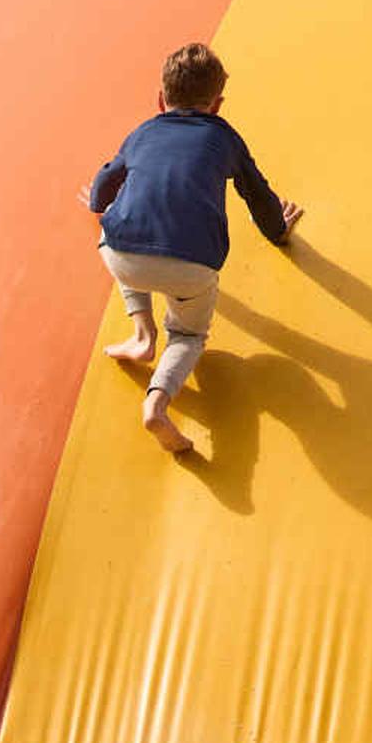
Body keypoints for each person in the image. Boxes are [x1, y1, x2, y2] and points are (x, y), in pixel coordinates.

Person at [80, 42, 300, 457]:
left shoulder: (143, 131)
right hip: (191, 269)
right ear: (217, 105)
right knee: (187, 333)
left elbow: (106, 180)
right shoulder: (225, 139)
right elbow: (257, 193)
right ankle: (157, 402)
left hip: (121, 255)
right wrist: (278, 232)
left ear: (160, 99)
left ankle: (142, 334)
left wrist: (98, 205)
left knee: (121, 229)